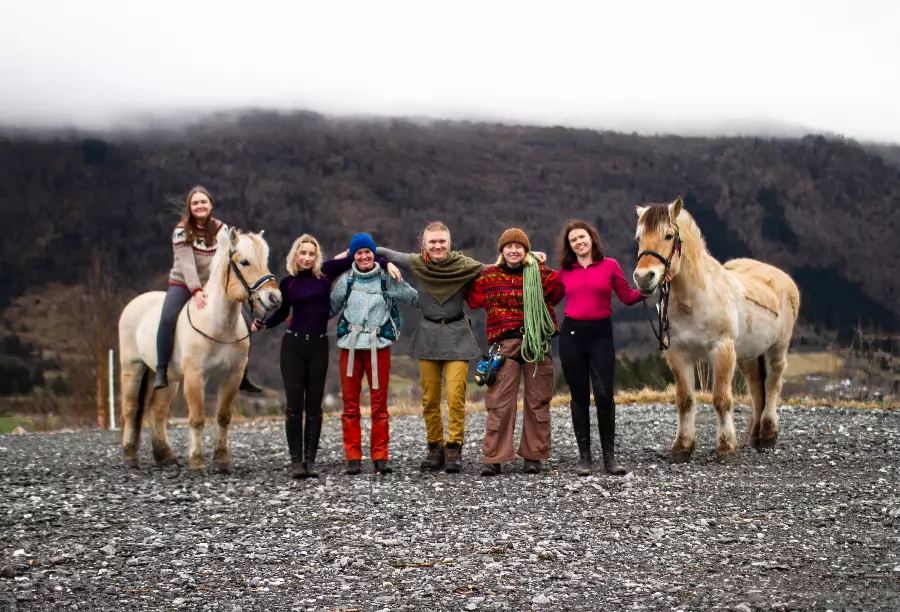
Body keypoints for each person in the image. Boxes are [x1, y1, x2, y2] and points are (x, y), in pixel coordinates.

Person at [252, 235, 400, 478]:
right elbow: (282, 312)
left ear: (317, 256)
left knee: (314, 407)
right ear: (295, 255)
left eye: (312, 253)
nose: (307, 258)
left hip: (319, 346)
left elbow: (361, 255)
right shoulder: (288, 283)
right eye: (303, 253)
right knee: (294, 407)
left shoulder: (326, 273)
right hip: (293, 346)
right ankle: (296, 462)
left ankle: (310, 462)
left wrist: (387, 263)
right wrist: (265, 324)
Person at [375, 223, 485, 473]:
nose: (437, 246)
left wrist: (529, 257)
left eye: (441, 241)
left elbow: (495, 269)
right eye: (432, 242)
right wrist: (384, 263)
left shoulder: (464, 265)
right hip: (428, 335)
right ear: (423, 243)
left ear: (449, 242)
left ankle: (454, 447)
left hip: (457, 333)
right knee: (430, 398)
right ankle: (434, 447)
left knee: (455, 395)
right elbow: (378, 251)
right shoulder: (416, 263)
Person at [466, 228, 564, 476]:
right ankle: (494, 457)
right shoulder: (489, 276)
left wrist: (539, 264)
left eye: (518, 247)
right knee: (499, 402)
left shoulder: (540, 274)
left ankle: (534, 455)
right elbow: (473, 299)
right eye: (508, 247)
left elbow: (558, 291)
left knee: (538, 401)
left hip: (536, 343)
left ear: (526, 250)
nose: (513, 250)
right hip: (505, 346)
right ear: (501, 251)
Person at [557, 220, 645, 476]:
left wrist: (651, 287)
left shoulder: (610, 266)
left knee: (604, 396)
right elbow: (549, 297)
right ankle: (584, 458)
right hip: (572, 337)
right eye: (573, 240)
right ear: (569, 246)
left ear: (591, 238)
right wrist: (534, 270)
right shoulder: (565, 271)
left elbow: (627, 297)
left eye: (582, 237)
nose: (578, 242)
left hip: (601, 337)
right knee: (579, 397)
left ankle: (609, 459)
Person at [154, 185, 261, 393]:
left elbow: (233, 250)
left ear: (210, 205)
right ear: (190, 207)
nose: (199, 206)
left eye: (203, 202)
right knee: (167, 318)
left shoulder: (222, 229)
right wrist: (196, 290)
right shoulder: (181, 231)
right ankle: (161, 369)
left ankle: (244, 372)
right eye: (195, 203)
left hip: (214, 286)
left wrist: (252, 241)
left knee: (246, 322)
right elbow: (186, 264)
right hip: (184, 284)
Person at [330, 233, 419, 475]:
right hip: (349, 348)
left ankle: (380, 457)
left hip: (378, 347)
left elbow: (413, 298)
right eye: (358, 253)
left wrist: (438, 298)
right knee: (350, 405)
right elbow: (330, 309)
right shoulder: (345, 280)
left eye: (367, 252)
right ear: (353, 256)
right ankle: (353, 457)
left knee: (379, 406)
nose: (363, 256)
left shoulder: (386, 279)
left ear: (374, 254)